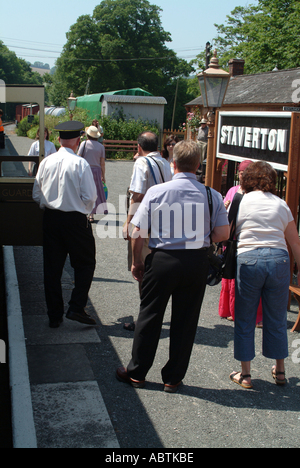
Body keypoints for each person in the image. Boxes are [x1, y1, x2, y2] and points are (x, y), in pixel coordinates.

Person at [117, 140, 229, 392]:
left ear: (173, 164)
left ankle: (137, 372)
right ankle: (173, 377)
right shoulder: (212, 195)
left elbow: (138, 231)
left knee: (150, 314)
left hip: (163, 259)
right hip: (195, 261)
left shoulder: (157, 192)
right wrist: (199, 236)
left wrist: (137, 261)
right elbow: (223, 233)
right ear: (198, 166)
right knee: (186, 320)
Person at [230, 161, 300, 389]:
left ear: (247, 179)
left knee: (245, 317)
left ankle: (246, 374)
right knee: (277, 317)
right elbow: (295, 243)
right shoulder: (281, 204)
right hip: (279, 260)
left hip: (249, 258)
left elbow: (226, 232)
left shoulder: (241, 201)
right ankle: (280, 371)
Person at [32, 121, 98, 329]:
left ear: (58, 139)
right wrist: (80, 207)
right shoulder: (80, 164)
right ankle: (76, 306)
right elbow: (90, 197)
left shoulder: (46, 162)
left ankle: (54, 315)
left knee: (52, 268)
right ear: (78, 141)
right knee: (85, 264)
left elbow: (36, 194)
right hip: (75, 220)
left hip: (51, 218)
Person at [122, 131, 172, 331]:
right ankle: (154, 315)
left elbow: (137, 196)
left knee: (141, 269)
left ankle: (146, 319)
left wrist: (128, 222)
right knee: (156, 270)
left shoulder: (141, 163)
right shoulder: (166, 163)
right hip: (164, 222)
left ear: (139, 147)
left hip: (146, 222)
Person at [219, 160, 263, 327]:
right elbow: (225, 213)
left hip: (247, 239)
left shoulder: (255, 194)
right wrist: (224, 207)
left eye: (246, 171)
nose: (242, 174)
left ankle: (250, 315)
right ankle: (229, 310)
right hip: (232, 239)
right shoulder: (232, 190)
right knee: (231, 277)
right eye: (241, 171)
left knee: (246, 280)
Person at [78, 125, 108, 222]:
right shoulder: (101, 147)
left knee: (82, 191)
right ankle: (91, 215)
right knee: (94, 193)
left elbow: (78, 157)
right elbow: (102, 163)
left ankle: (82, 211)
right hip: (96, 171)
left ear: (88, 135)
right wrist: (103, 175)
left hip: (85, 169)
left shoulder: (84, 144)